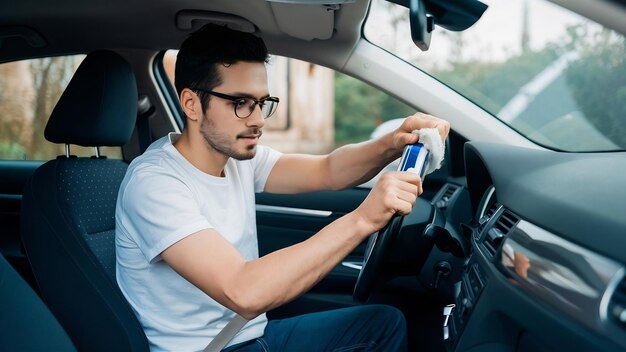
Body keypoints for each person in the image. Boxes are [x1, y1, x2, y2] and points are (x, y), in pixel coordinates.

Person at [115, 24, 450, 352]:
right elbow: (242, 291)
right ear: (191, 103)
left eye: (262, 102)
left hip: (253, 334)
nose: (258, 119)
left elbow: (328, 169)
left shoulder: (237, 158)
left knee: (383, 323)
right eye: (241, 103)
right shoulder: (155, 183)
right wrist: (363, 219)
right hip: (215, 348)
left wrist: (395, 142)